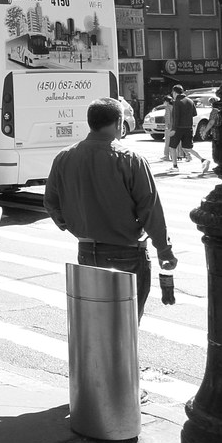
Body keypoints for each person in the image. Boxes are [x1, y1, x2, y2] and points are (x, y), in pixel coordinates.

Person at [44, 97, 177, 321]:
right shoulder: (131, 159)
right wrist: (164, 249)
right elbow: (150, 209)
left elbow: (51, 202)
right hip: (127, 252)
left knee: (97, 325)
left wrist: (72, 224)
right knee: (125, 326)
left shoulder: (65, 157)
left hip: (86, 251)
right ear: (118, 123)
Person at [168, 84, 210, 175]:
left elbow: (176, 117)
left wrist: (174, 129)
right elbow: (194, 113)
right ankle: (203, 160)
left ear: (174, 92)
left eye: (172, 93)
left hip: (178, 128)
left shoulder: (177, 102)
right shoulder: (190, 101)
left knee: (172, 146)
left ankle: (175, 166)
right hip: (188, 127)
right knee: (187, 147)